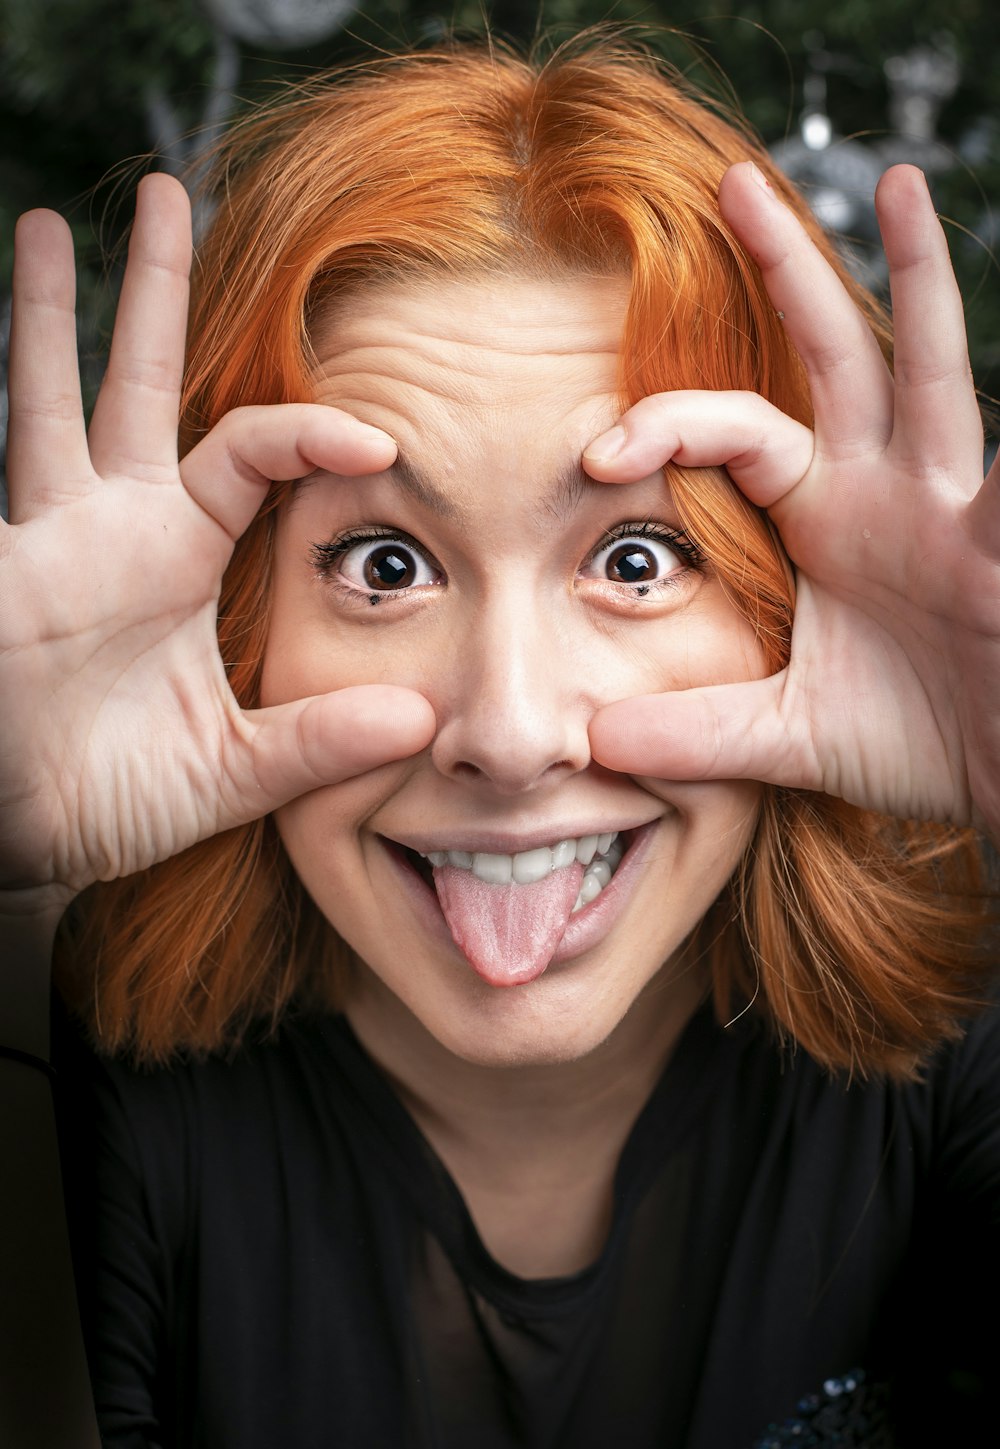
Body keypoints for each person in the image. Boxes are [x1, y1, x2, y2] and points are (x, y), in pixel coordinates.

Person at [1, 35, 998, 1449]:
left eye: (641, 557)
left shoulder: (956, 1045)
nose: (512, 733)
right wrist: (10, 910)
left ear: (795, 606)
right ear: (234, 625)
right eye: (386, 567)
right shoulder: (98, 1093)